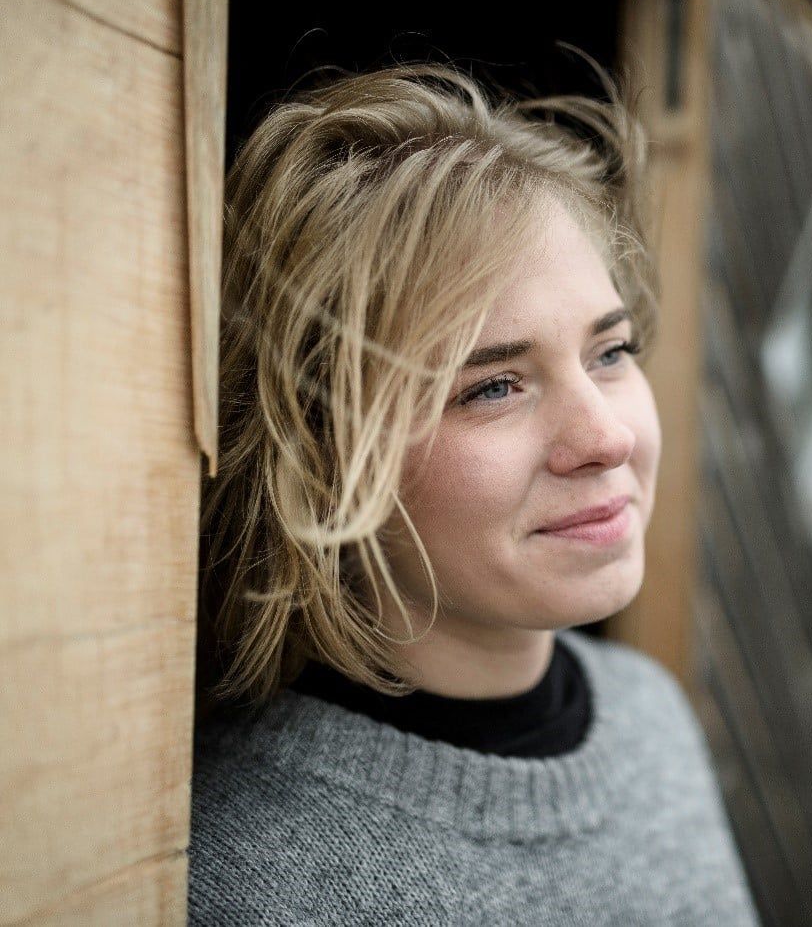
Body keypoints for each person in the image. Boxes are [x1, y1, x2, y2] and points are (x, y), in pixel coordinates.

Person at [188, 62, 760, 926]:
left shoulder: (647, 718)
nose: (606, 436)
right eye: (491, 387)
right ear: (322, 450)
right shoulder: (243, 876)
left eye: (610, 353)